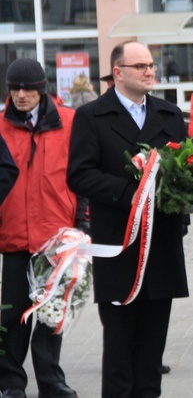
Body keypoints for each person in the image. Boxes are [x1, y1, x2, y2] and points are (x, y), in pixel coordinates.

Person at [67, 41, 193, 397]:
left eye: (151, 65)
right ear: (118, 72)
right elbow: (79, 175)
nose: (150, 71)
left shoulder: (168, 115)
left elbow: (187, 172)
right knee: (120, 357)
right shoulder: (92, 116)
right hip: (119, 248)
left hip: (161, 249)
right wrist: (131, 195)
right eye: (140, 66)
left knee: (151, 360)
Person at [0, 58, 79, 398]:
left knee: (52, 313)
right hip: (14, 234)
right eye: (14, 88)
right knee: (13, 315)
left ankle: (51, 381)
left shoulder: (71, 122)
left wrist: (83, 220)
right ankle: (11, 382)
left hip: (57, 236)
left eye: (27, 88)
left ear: (42, 89)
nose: (20, 95)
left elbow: (82, 173)